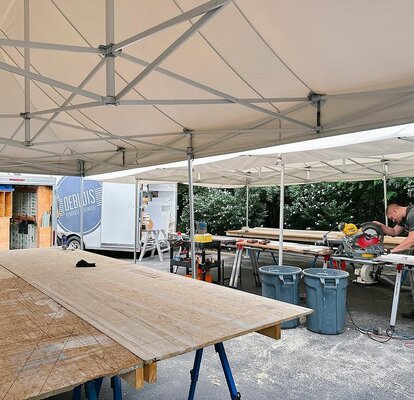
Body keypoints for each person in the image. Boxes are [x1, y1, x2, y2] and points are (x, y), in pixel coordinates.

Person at [373, 203, 414, 318]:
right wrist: (381, 226)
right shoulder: (405, 218)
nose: (393, 220)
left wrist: (392, 252)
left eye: (392, 217)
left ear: (395, 211)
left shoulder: (412, 214)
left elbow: (411, 240)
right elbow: (393, 232)